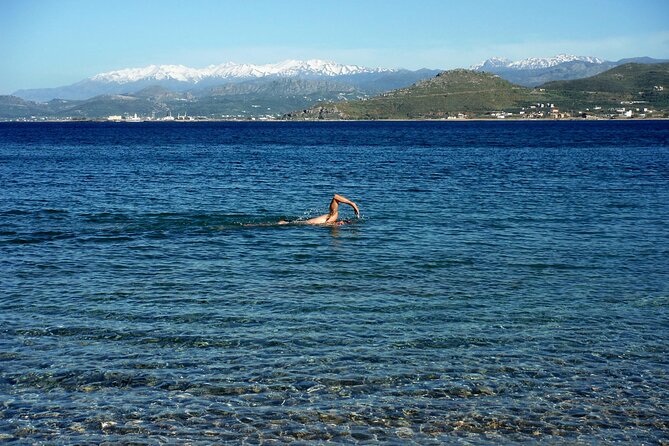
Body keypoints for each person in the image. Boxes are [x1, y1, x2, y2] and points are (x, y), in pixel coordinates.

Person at [279, 194, 360, 225]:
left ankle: (285, 222)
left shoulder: (331, 222)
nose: (341, 224)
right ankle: (285, 222)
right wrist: (352, 204)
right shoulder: (333, 216)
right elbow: (335, 197)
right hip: (305, 223)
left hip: (304, 224)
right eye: (343, 223)